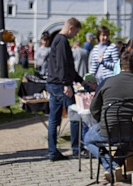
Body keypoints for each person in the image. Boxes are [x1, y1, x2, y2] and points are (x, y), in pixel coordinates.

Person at [83, 50, 133, 180]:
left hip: (108, 130)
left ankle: (112, 167)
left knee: (87, 139)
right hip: (131, 132)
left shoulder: (107, 82)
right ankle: (115, 168)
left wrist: (102, 122)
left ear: (120, 66)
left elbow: (94, 108)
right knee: (125, 142)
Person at [45, 17, 86, 161]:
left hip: (55, 84)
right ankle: (76, 148)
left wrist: (81, 81)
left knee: (54, 119)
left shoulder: (58, 40)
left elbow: (68, 67)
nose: (75, 35)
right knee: (75, 115)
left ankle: (52, 151)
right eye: (75, 32)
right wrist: (66, 84)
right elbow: (63, 65)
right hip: (60, 85)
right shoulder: (62, 41)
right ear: (71, 28)